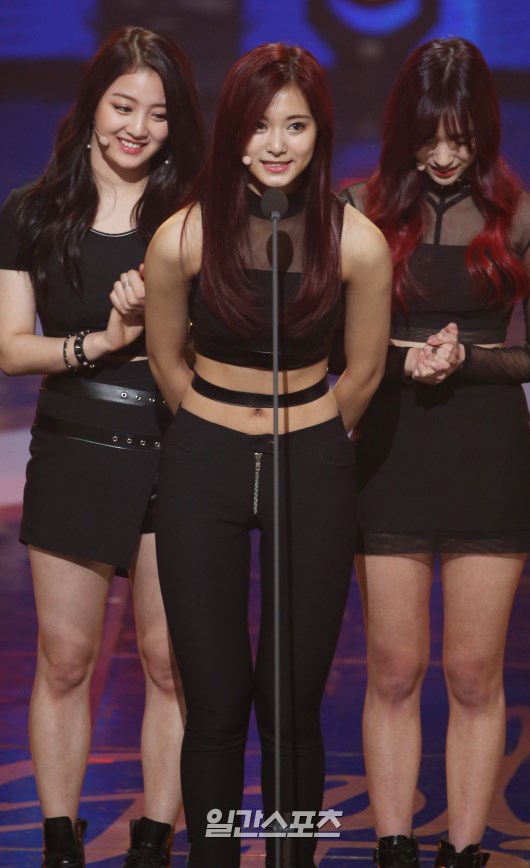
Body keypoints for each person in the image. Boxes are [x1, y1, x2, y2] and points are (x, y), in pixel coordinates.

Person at [144, 41, 392, 868]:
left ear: (321, 133)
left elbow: (363, 375)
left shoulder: (357, 243)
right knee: (216, 706)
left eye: (296, 125)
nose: (276, 144)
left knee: (291, 710)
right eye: (259, 125)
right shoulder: (183, 235)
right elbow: (167, 362)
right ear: (232, 132)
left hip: (310, 467)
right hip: (202, 464)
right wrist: (215, 429)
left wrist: (307, 434)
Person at [0, 26, 205, 868]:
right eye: (124, 107)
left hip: (174, 452)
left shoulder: (192, 218)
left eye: (158, 114)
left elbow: (219, 344)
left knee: (167, 662)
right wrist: (106, 340)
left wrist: (163, 318)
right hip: (73, 447)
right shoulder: (31, 212)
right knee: (65, 659)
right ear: (92, 107)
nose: (138, 128)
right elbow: (12, 348)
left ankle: (154, 840)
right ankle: (60, 841)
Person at [340, 37, 530, 868]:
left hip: (489, 460)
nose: (446, 156)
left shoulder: (518, 217)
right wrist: (400, 358)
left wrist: (465, 360)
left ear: (484, 130)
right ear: (403, 130)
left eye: (461, 138)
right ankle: (393, 849)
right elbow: (327, 343)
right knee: (392, 670)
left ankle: (463, 851)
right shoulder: (357, 208)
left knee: (474, 674)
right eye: (430, 138)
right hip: (389, 456)